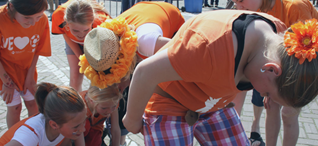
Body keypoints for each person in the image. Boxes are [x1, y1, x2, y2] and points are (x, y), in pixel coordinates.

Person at [123, 9, 318, 145]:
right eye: (266, 92)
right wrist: (132, 120)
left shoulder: (278, 42)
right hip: (171, 102)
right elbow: (144, 72)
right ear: (271, 69)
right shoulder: (209, 47)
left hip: (215, 102)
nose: (261, 94)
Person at [232, 0, 318, 145]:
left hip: (303, 70)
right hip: (279, 66)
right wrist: (270, 89)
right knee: (271, 106)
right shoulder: (256, 9)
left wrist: (280, 87)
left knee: (288, 114)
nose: (237, 5)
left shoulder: (295, 7)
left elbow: (307, 53)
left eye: (241, 1)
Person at [104, 2, 185, 145]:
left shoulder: (146, 43)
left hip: (170, 19)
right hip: (142, 11)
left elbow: (190, 52)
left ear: (124, 70)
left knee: (168, 86)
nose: (120, 90)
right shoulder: (105, 41)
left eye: (118, 85)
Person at [0, 0, 50, 128]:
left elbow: (38, 49)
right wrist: (7, 82)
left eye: (38, 17)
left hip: (26, 69)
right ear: (12, 7)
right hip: (2, 71)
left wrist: (30, 77)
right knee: (15, 107)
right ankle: (14, 138)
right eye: (27, 17)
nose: (33, 22)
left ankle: (34, 135)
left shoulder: (42, 19)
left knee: (33, 104)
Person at [77, 18, 138, 146]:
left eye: (112, 107)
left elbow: (115, 128)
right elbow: (77, 135)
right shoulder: (83, 107)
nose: (109, 111)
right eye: (105, 108)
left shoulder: (110, 100)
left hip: (95, 132)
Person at [0, 82, 87, 146]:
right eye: (77, 126)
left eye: (83, 122)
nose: (83, 129)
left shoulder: (69, 126)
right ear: (54, 125)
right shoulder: (31, 134)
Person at [51, 0, 111, 92]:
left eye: (85, 30)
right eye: (75, 30)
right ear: (67, 22)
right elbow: (64, 32)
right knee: (75, 76)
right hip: (72, 41)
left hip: (97, 40)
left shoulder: (103, 23)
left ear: (92, 22)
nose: (81, 35)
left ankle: (95, 101)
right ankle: (74, 104)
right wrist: (80, 56)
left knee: (99, 77)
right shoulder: (59, 15)